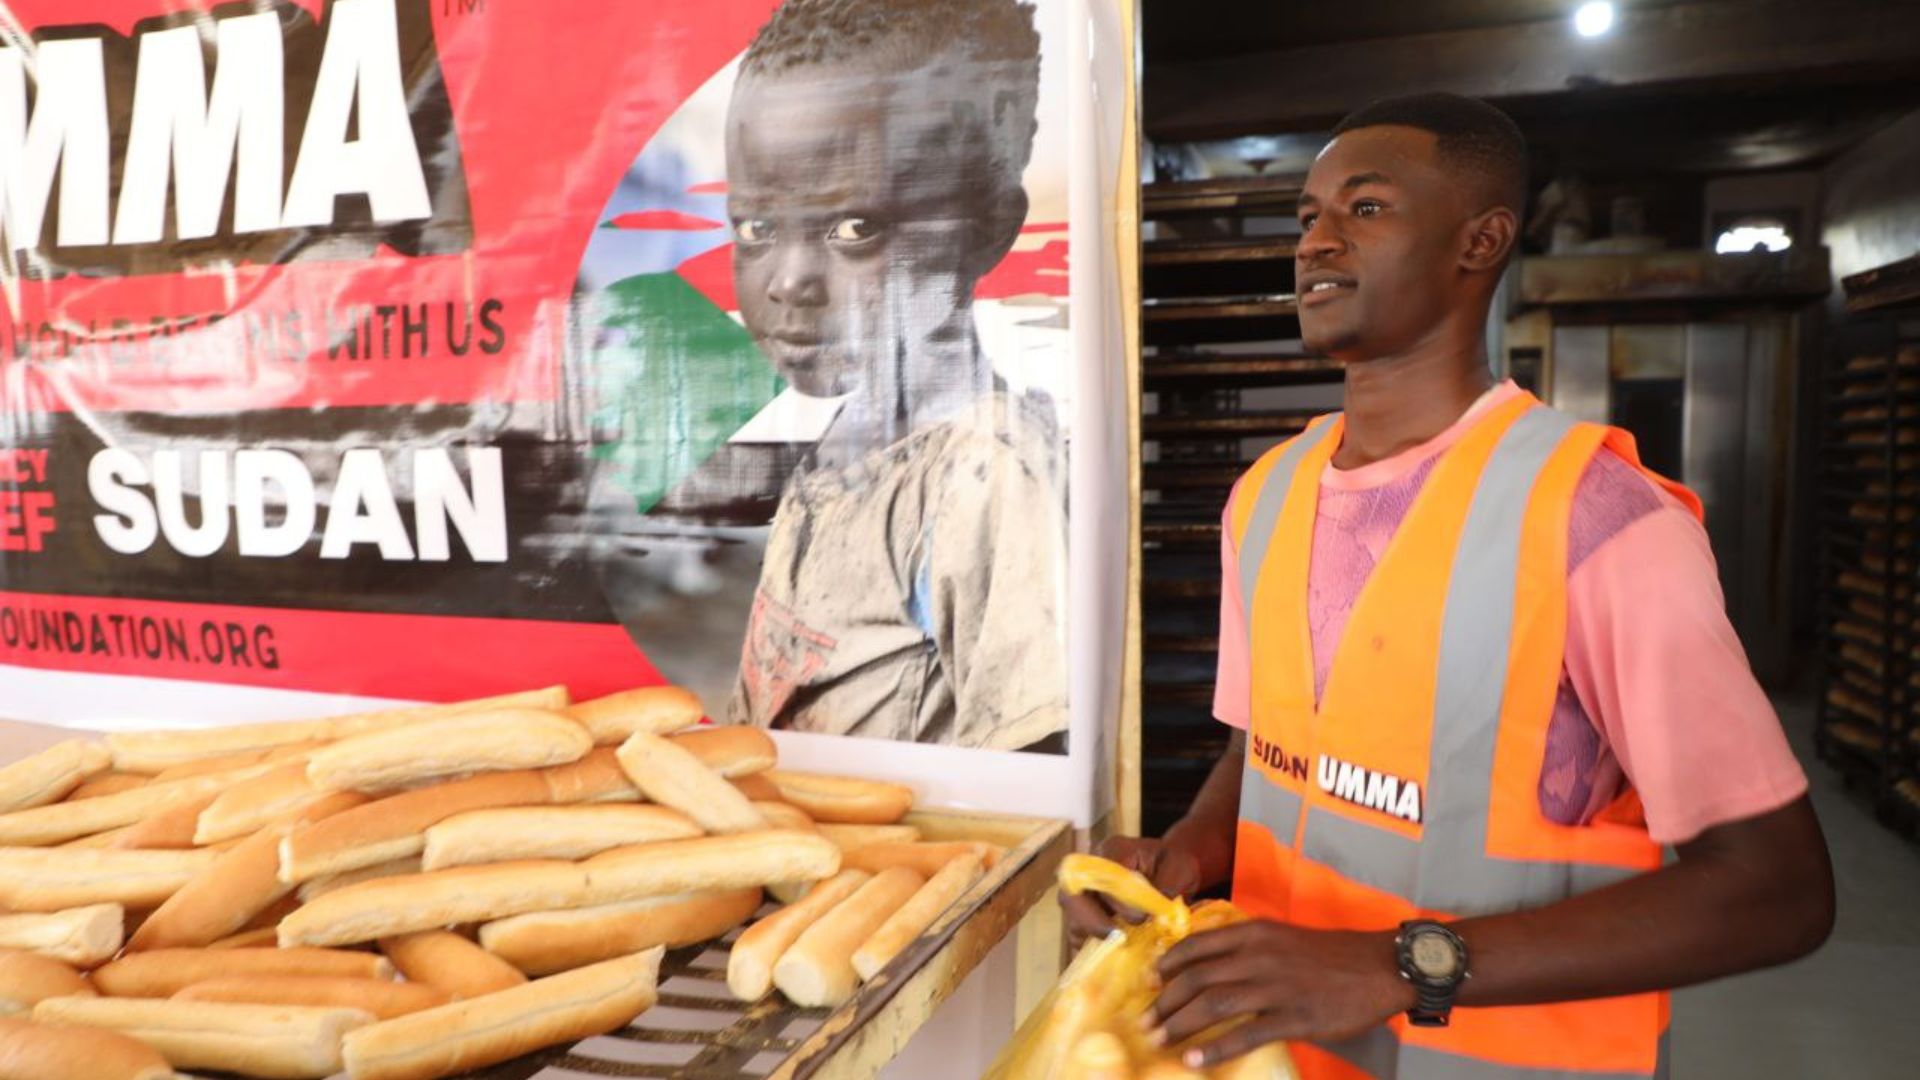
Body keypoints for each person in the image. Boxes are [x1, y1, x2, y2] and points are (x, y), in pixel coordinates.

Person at [1063, 93, 1834, 1078]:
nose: (1316, 242)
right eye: (1306, 216)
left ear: (1482, 240)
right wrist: (1188, 851)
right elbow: (1266, 752)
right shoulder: (1266, 496)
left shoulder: (1597, 519)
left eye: (1365, 208)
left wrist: (1395, 964)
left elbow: (1777, 890)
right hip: (1278, 1059)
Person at [720, 0, 1069, 752]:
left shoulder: (987, 475)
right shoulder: (853, 438)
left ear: (989, 228)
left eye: (855, 228)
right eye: (756, 228)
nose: (788, 281)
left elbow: (1036, 762)